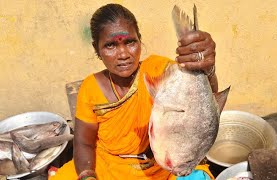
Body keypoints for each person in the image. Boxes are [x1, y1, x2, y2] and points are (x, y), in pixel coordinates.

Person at [50, 3, 218, 180]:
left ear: (139, 40)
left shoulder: (157, 70)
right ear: (97, 49)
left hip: (159, 167)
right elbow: (83, 142)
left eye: (130, 42)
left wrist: (205, 65)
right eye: (110, 46)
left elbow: (203, 102)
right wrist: (87, 175)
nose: (123, 54)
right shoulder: (91, 87)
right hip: (108, 167)